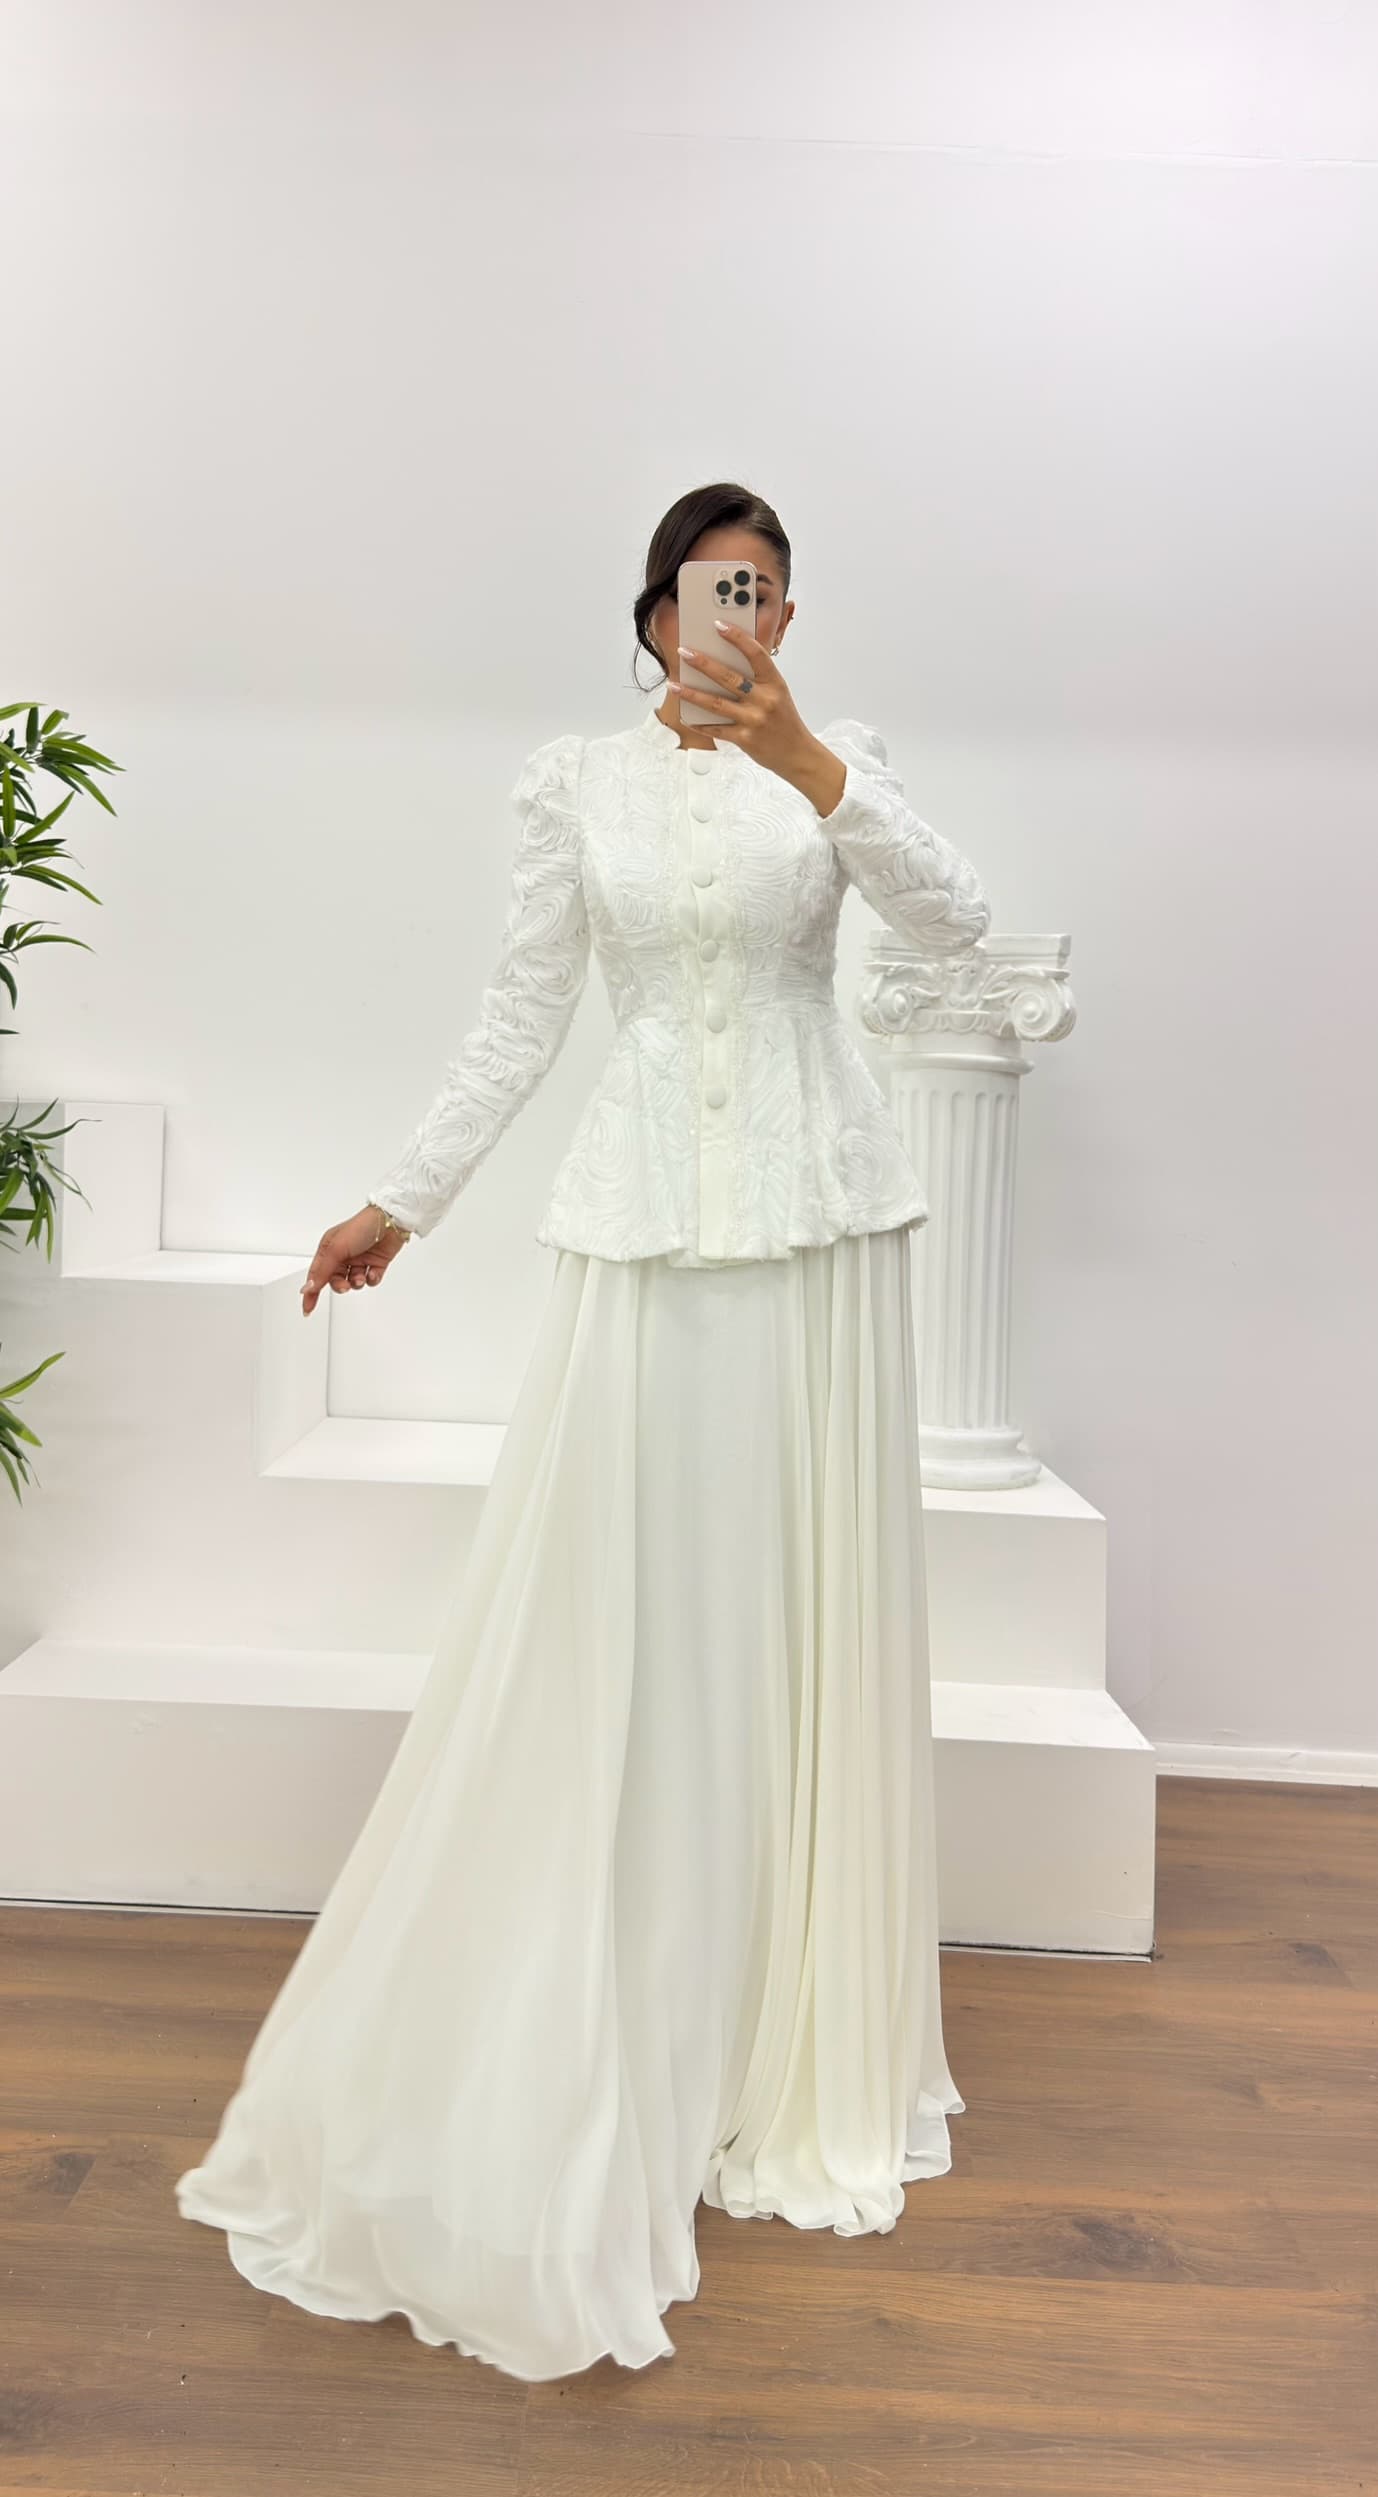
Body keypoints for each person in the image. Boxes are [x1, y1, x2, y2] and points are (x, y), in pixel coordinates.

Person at [174, 481, 991, 2382]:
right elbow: (521, 1012)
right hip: (643, 1236)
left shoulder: (840, 758)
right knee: (643, 1621)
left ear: (786, 620)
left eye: (765, 593)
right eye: (712, 589)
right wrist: (404, 1198)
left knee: (794, 1617)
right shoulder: (571, 787)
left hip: (817, 1236)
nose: (738, 616)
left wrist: (810, 766)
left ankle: (777, 2036)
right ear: (651, 615)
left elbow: (955, 923)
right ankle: (627, 1997)